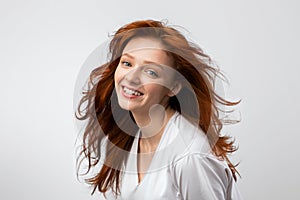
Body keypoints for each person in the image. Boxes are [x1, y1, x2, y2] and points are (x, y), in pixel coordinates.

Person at [75, 19, 242, 199]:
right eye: (127, 63)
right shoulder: (133, 138)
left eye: (151, 72)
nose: (131, 78)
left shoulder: (190, 156)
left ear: (173, 87)